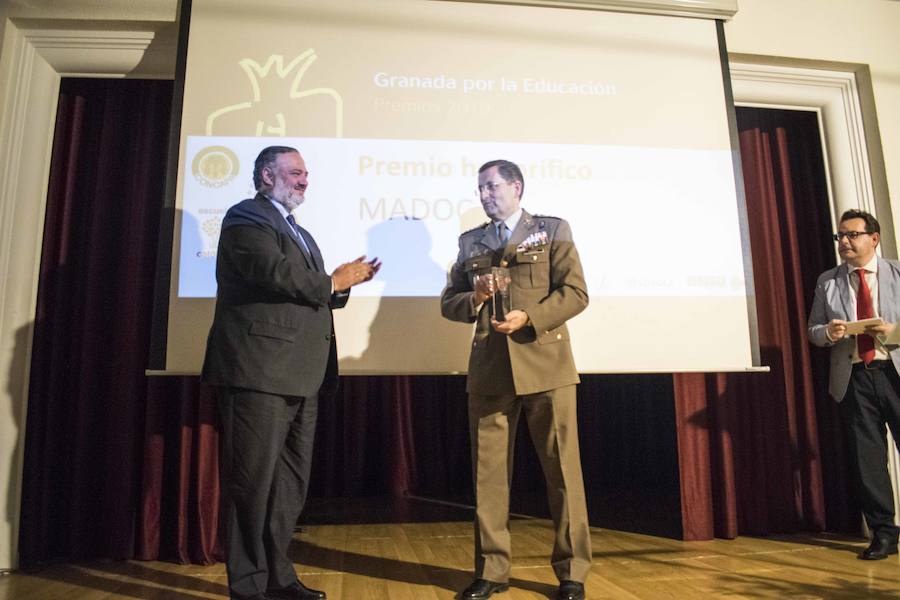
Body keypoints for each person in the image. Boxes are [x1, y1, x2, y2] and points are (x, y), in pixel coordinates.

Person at [202, 145, 380, 600]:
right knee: (251, 485)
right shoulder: (247, 217)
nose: (304, 181)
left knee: (287, 490)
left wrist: (343, 284)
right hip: (259, 373)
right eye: (295, 172)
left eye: (306, 174)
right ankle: (247, 587)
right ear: (266, 175)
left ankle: (281, 580)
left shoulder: (300, 232)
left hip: (302, 376)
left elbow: (311, 292)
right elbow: (271, 273)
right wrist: (332, 281)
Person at [441, 160, 592, 600]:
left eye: (492, 186)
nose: (485, 195)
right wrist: (476, 297)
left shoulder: (551, 229)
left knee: (563, 473)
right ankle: (490, 571)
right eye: (480, 189)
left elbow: (576, 292)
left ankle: (572, 573)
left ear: (516, 187)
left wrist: (531, 317)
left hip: (545, 364)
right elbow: (450, 302)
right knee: (488, 477)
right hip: (490, 371)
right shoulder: (471, 241)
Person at [808, 208, 900, 560]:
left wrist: (892, 332)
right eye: (840, 236)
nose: (844, 242)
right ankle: (884, 533)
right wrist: (829, 333)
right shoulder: (828, 280)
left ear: (873, 238)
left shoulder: (896, 272)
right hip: (855, 376)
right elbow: (813, 331)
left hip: (894, 372)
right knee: (868, 459)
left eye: (851, 235)